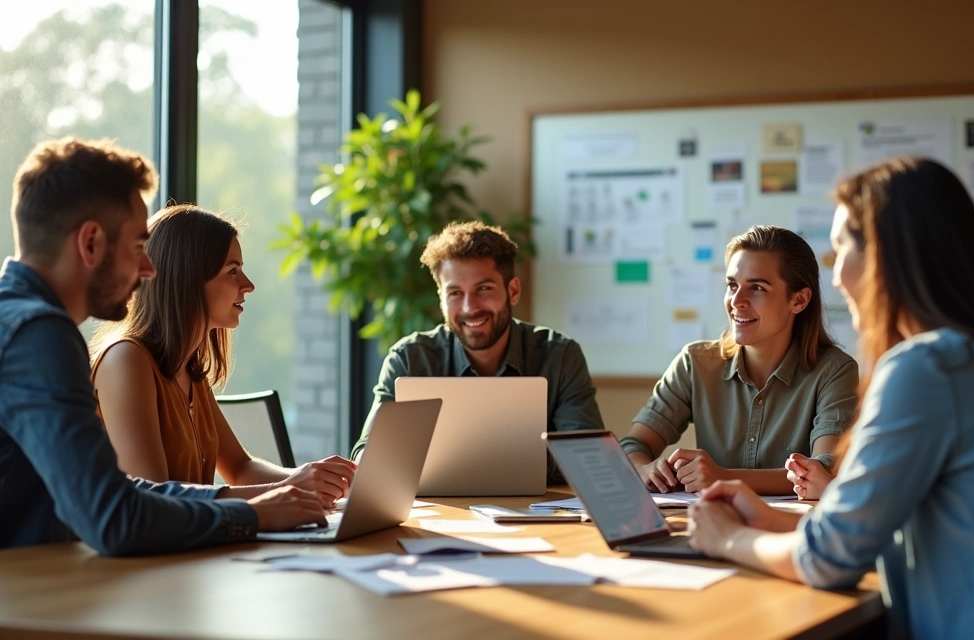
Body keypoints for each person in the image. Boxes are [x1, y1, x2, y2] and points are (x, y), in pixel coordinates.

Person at [686, 157, 974, 639]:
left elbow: (829, 561)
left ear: (885, 256)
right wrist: (768, 520)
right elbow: (876, 530)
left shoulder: (927, 368)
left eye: (840, 253)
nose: (834, 280)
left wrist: (727, 537)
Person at [0, 137, 326, 555]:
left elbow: (115, 492)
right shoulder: (38, 335)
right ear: (91, 242)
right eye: (138, 246)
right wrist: (255, 514)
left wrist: (262, 501)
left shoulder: (24, 325)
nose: (149, 268)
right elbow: (115, 519)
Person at [90, 205, 356, 506]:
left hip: (194, 546)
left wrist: (311, 480)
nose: (248, 285)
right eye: (232, 271)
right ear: (187, 279)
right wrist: (290, 490)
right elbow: (154, 497)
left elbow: (241, 469)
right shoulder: (126, 360)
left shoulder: (189, 369)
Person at [351, 220, 604, 483]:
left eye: (484, 289)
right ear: (441, 297)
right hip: (438, 518)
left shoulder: (559, 356)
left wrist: (455, 463)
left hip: (537, 517)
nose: (470, 307)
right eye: (455, 293)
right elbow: (366, 454)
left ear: (513, 291)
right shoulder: (409, 359)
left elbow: (587, 457)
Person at [620, 225, 857, 496]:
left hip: (788, 531)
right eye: (732, 285)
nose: (736, 301)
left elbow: (823, 469)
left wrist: (723, 477)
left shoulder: (835, 372)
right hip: (707, 523)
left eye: (757, 287)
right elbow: (632, 445)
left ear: (799, 300)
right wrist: (645, 469)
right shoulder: (695, 363)